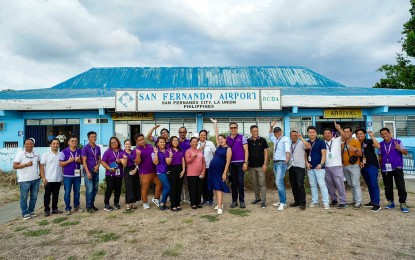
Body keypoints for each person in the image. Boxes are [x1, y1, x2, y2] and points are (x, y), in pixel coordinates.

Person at [378, 127, 409, 213]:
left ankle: (403, 203)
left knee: (400, 186)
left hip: (397, 167)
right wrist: (381, 168)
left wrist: (399, 149)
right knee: (387, 186)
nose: (384, 135)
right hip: (385, 168)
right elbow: (380, 157)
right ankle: (390, 201)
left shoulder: (397, 142)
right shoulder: (380, 144)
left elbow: (406, 152)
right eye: (382, 134)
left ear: (390, 133)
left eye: (386, 133)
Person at [13, 138, 41, 220]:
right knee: (24, 197)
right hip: (24, 180)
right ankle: (25, 213)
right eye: (27, 144)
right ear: (24, 145)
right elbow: (15, 166)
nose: (29, 145)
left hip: (35, 179)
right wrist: (25, 165)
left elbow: (40, 164)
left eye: (31, 144)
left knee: (34, 197)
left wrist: (40, 173)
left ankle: (31, 211)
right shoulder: (20, 154)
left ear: (33, 145)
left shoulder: (36, 153)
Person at [355, 128, 381, 212]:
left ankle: (377, 204)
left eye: (361, 134)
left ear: (364, 134)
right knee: (369, 185)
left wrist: (372, 136)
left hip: (372, 166)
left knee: (373, 184)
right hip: (363, 167)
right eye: (358, 134)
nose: (359, 135)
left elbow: (378, 146)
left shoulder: (369, 141)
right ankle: (372, 201)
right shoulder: (357, 143)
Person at [323, 123, 348, 209]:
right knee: (329, 185)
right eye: (325, 133)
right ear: (323, 135)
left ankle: (343, 202)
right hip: (326, 166)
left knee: (339, 184)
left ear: (332, 133)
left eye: (328, 133)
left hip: (337, 166)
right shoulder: (323, 143)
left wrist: (339, 129)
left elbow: (345, 137)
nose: (327, 135)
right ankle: (334, 200)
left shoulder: (337, 140)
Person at [209, 118, 231, 214]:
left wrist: (224, 173)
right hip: (212, 169)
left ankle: (220, 207)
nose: (220, 140)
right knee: (215, 186)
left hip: (220, 170)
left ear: (225, 139)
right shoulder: (219, 146)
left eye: (222, 139)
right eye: (219, 139)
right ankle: (219, 203)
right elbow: (217, 134)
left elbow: (227, 162)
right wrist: (215, 124)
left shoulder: (228, 149)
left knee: (219, 187)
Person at [135, 134, 162, 209]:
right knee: (145, 187)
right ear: (137, 142)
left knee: (160, 183)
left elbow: (155, 156)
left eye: (143, 139)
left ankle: (156, 198)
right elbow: (137, 162)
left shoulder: (150, 146)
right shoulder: (137, 150)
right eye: (140, 140)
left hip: (154, 170)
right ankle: (145, 202)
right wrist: (137, 154)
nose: (142, 140)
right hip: (144, 172)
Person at [306, 126, 330, 209]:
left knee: (322, 185)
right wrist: (306, 163)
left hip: (319, 167)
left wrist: (321, 164)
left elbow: (324, 154)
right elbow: (305, 154)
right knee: (313, 185)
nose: (311, 133)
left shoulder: (321, 142)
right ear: (307, 133)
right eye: (310, 132)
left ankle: (326, 202)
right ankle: (315, 201)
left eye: (313, 132)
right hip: (310, 167)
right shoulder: (307, 142)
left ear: (316, 133)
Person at [59, 135, 83, 215]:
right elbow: (61, 164)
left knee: (77, 192)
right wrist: (69, 161)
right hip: (67, 176)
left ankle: (76, 206)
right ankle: (68, 208)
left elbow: (83, 162)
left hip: (77, 175)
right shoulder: (63, 152)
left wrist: (79, 161)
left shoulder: (80, 151)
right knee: (67, 192)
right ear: (68, 142)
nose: (74, 142)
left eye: (76, 141)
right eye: (72, 141)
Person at [269, 121, 290, 211]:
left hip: (281, 163)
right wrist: (271, 126)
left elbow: (287, 147)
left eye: (278, 132)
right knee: (279, 183)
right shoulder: (276, 139)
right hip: (275, 163)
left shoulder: (285, 138)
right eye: (275, 132)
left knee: (278, 182)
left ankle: (283, 203)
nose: (277, 133)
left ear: (281, 132)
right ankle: (281, 200)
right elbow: (270, 136)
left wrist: (287, 155)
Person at [227, 122, 248, 208]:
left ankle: (242, 201)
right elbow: (219, 141)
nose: (233, 129)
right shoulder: (227, 139)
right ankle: (234, 201)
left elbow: (246, 150)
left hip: (240, 163)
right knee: (233, 183)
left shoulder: (242, 137)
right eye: (231, 128)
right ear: (229, 129)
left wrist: (245, 162)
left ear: (237, 128)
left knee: (240, 182)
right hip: (231, 164)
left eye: (235, 127)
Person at [40, 138, 63, 216]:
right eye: (54, 143)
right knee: (47, 195)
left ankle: (54, 209)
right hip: (48, 179)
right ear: (50, 145)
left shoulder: (61, 154)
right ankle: (46, 210)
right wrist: (43, 178)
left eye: (57, 143)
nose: (55, 145)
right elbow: (42, 166)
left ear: (59, 145)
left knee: (56, 195)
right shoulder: (45, 155)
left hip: (58, 179)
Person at [288, 130, 311, 210]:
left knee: (300, 185)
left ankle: (303, 203)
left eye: (295, 135)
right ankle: (297, 201)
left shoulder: (301, 143)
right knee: (294, 185)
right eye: (292, 135)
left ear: (297, 136)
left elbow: (308, 146)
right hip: (291, 166)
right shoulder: (289, 144)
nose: (293, 136)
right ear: (290, 136)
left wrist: (302, 138)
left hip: (300, 167)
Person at [248, 125, 269, 209]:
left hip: (261, 166)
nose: (256, 132)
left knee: (262, 183)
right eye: (254, 131)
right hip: (251, 167)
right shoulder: (248, 141)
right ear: (251, 132)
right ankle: (257, 198)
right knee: (254, 183)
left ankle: (263, 201)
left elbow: (266, 153)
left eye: (257, 131)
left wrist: (265, 164)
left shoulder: (263, 140)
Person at [342, 126, 363, 208]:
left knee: (356, 184)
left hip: (354, 165)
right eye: (345, 132)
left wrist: (355, 149)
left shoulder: (355, 141)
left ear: (351, 133)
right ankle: (354, 200)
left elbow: (360, 154)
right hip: (345, 166)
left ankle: (358, 202)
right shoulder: (343, 143)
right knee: (351, 184)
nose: (346, 133)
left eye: (348, 132)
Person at [101, 137, 124, 211]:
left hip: (119, 173)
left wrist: (121, 161)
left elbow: (125, 162)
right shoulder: (108, 152)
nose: (113, 144)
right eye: (112, 143)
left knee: (118, 189)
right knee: (110, 188)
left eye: (115, 142)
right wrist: (109, 168)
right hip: (110, 173)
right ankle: (106, 204)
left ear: (118, 142)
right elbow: (103, 162)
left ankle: (116, 203)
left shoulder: (122, 151)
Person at [81, 131, 101, 213]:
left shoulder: (98, 148)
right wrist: (88, 172)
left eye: (95, 136)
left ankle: (92, 205)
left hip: (96, 171)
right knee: (89, 189)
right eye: (92, 137)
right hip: (88, 171)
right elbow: (84, 161)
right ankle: (88, 206)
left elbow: (99, 159)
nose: (94, 138)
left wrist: (98, 165)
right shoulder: (85, 148)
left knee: (95, 189)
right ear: (88, 138)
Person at [185, 137, 206, 209]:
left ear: (197, 143)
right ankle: (193, 203)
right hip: (191, 174)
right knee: (192, 189)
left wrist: (203, 171)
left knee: (199, 189)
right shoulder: (188, 151)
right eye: (193, 142)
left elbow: (203, 162)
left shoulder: (200, 151)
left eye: (196, 142)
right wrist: (193, 156)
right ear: (190, 143)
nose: (195, 143)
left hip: (200, 173)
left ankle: (198, 202)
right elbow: (188, 161)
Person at [120, 139, 140, 211]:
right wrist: (125, 159)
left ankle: (133, 203)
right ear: (124, 145)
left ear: (131, 145)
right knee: (129, 187)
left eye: (129, 144)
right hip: (127, 170)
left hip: (135, 169)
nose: (128, 145)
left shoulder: (133, 152)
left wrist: (135, 170)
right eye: (126, 144)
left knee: (135, 185)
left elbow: (137, 162)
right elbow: (124, 165)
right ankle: (127, 204)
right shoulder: (122, 153)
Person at [198, 129, 216, 206]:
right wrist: (199, 149)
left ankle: (210, 199)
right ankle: (205, 199)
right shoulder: (196, 143)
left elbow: (215, 152)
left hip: (209, 166)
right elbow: (193, 153)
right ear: (199, 136)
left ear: (206, 136)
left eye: (204, 135)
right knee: (202, 184)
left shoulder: (210, 143)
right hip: (200, 167)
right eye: (201, 135)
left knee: (209, 183)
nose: (203, 136)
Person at [167, 136, 185, 212]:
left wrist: (183, 170)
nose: (175, 142)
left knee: (179, 188)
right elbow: (167, 162)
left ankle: (177, 204)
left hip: (180, 170)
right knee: (173, 188)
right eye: (174, 140)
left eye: (177, 140)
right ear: (171, 142)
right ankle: (173, 205)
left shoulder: (181, 150)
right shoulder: (168, 150)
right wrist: (171, 156)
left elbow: (183, 160)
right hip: (172, 170)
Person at [152, 137, 171, 211]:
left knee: (165, 187)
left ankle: (164, 204)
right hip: (160, 171)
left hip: (167, 171)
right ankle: (162, 203)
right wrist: (156, 153)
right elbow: (155, 162)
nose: (162, 143)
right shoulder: (154, 151)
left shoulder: (168, 150)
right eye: (161, 142)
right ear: (157, 143)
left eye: (164, 142)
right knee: (168, 186)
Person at [179, 127, 191, 204]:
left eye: (184, 132)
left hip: (188, 165)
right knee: (179, 183)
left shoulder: (189, 142)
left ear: (186, 133)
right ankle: (179, 199)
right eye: (180, 132)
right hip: (178, 165)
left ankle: (187, 198)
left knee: (187, 183)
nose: (182, 133)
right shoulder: (175, 141)